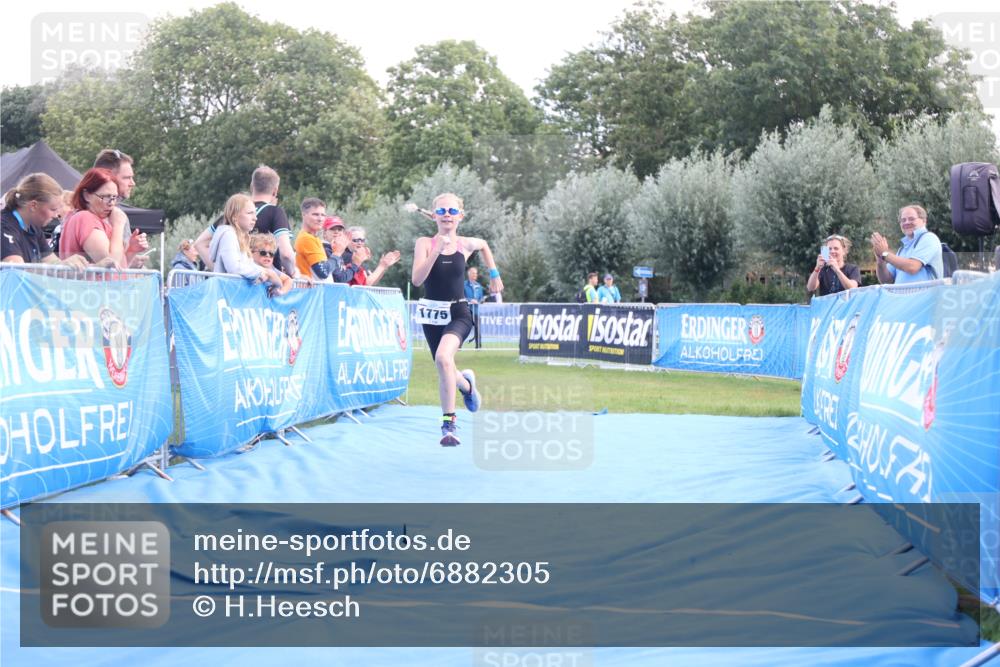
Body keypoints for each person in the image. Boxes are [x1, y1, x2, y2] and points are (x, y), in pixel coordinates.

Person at [412, 193, 503, 446]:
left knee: (444, 358)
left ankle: (448, 425)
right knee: (446, 367)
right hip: (432, 315)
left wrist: (494, 274)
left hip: (458, 313)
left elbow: (484, 244)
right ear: (434, 216)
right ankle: (467, 386)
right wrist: (436, 251)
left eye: (452, 211)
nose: (447, 215)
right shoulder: (424, 243)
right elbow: (417, 280)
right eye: (441, 211)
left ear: (460, 216)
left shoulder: (465, 244)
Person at [195, 165, 296, 276]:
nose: (254, 218)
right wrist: (292, 273)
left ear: (252, 186)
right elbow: (286, 253)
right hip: (265, 283)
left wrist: (220, 271)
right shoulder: (275, 212)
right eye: (250, 213)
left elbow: (200, 243)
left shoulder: (231, 214)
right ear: (275, 191)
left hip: (238, 282)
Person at [1, 173, 89, 269]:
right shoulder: (4, 226)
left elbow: (53, 264)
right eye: (53, 209)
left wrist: (68, 264)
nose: (56, 215)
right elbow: (16, 271)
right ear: (33, 205)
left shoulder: (33, 228)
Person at [209, 193, 291, 296]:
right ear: (235, 216)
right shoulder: (228, 234)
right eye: (250, 213)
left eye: (255, 213)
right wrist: (264, 273)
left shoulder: (241, 237)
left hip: (231, 295)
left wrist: (269, 274)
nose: (255, 218)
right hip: (225, 295)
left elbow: (247, 266)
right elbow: (233, 267)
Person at [59, 168, 138, 268]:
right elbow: (112, 264)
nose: (111, 203)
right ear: (86, 195)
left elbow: (120, 267)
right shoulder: (85, 219)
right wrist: (118, 225)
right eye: (105, 197)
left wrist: (132, 250)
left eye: (114, 197)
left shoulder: (87, 219)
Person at [94, 149, 149, 267]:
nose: (132, 183)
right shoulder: (88, 217)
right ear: (108, 177)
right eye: (127, 178)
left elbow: (118, 267)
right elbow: (111, 266)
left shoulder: (119, 215)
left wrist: (131, 251)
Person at [871, 205, 943, 285]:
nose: (907, 222)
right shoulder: (902, 249)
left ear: (924, 221)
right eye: (903, 220)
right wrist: (880, 260)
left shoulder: (929, 238)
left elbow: (912, 267)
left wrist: (884, 254)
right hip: (902, 293)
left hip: (925, 293)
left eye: (911, 219)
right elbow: (887, 280)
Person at [295, 198, 357, 283]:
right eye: (315, 214)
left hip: (317, 290)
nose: (320, 219)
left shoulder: (314, 238)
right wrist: (337, 253)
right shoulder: (306, 238)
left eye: (323, 215)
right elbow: (323, 272)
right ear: (304, 215)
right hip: (312, 290)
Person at [464, 266, 485, 349]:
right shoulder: (463, 285)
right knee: (463, 328)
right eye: (473, 273)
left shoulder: (478, 286)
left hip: (476, 311)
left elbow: (481, 297)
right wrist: (470, 300)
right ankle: (458, 346)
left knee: (478, 328)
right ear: (468, 274)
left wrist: (482, 300)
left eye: (476, 273)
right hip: (465, 310)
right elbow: (460, 296)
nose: (475, 275)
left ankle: (478, 347)